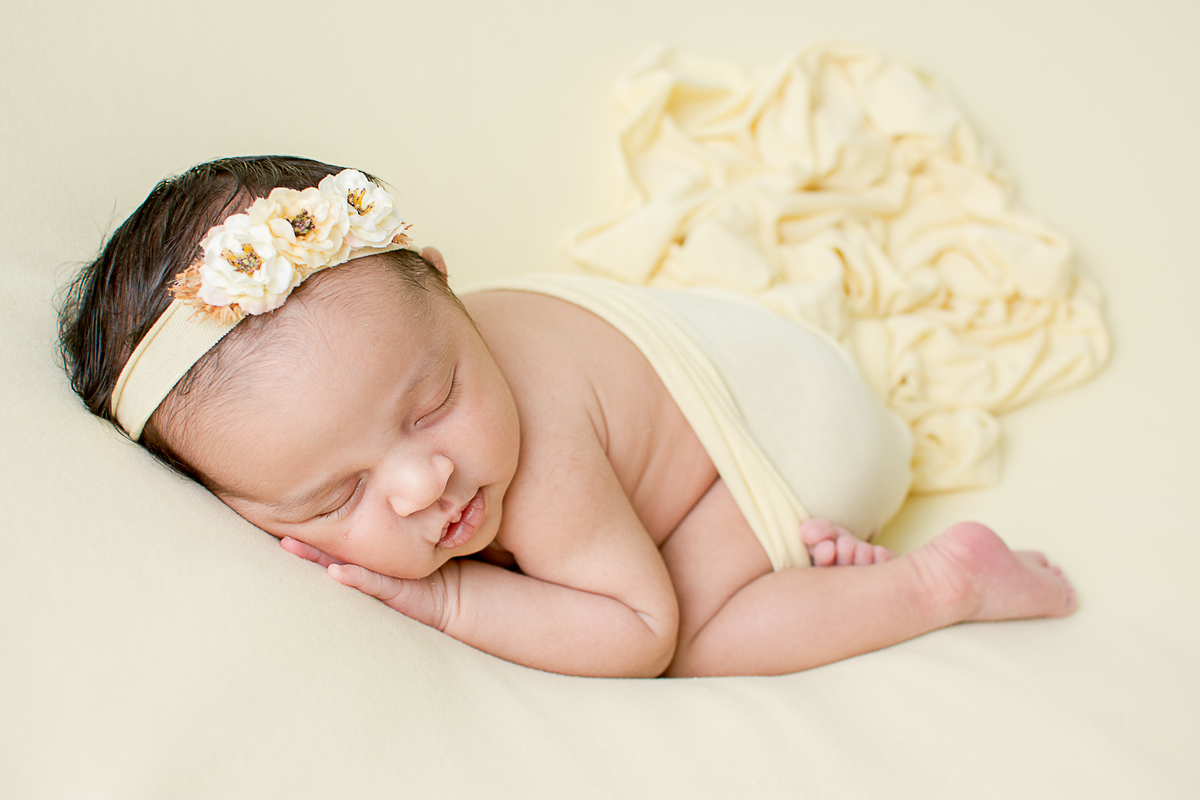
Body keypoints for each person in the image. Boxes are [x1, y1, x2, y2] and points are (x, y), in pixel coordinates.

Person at [59, 155, 1076, 678]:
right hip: (732, 350)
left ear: (445, 286)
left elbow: (637, 633)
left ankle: (941, 583)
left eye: (434, 403)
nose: (423, 483)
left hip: (799, 421)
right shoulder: (400, 357)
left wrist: (453, 605)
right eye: (337, 495)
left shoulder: (536, 454)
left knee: (700, 638)